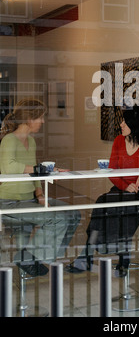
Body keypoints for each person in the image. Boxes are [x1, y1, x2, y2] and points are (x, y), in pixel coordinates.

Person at [66, 105, 139, 274]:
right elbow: (111, 170)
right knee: (102, 203)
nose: (121, 124)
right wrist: (125, 186)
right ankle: (104, 255)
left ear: (136, 124)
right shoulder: (119, 140)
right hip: (121, 190)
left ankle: (93, 256)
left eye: (125, 122)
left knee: (118, 209)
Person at [0, 98, 81, 277]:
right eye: (41, 117)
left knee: (73, 213)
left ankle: (37, 257)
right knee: (58, 219)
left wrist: (40, 194)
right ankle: (29, 258)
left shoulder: (32, 141)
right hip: (9, 203)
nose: (43, 122)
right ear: (30, 119)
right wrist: (40, 169)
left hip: (29, 199)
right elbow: (9, 167)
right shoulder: (9, 140)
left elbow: (34, 173)